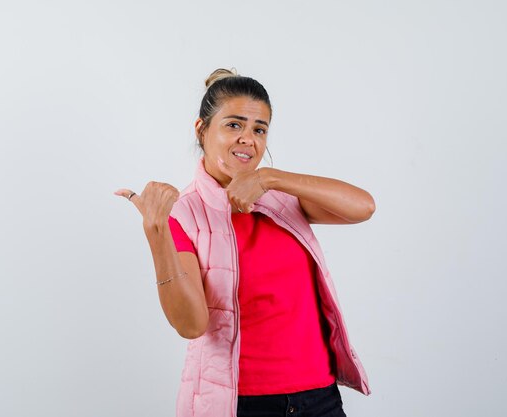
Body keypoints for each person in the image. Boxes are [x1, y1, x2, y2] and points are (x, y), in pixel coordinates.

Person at [115, 68, 374, 417]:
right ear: (202, 129)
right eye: (234, 125)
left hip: (319, 398)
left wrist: (270, 177)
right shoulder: (184, 214)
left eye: (259, 129)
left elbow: (363, 207)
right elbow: (190, 324)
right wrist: (157, 231)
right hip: (240, 404)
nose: (247, 139)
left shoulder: (282, 199)